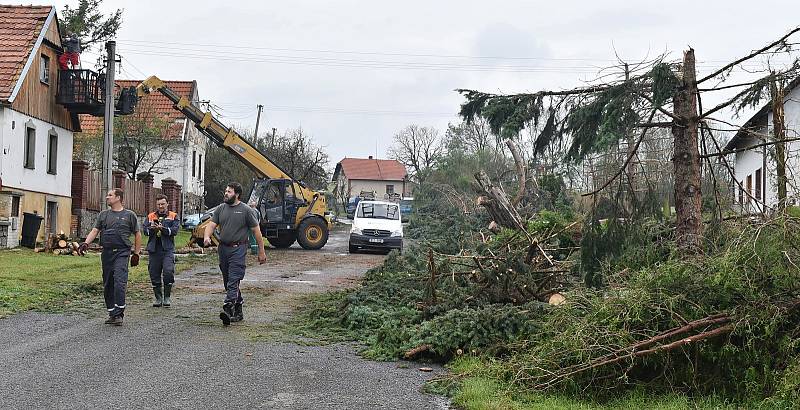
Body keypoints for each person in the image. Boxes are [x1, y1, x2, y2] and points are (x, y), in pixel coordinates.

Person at [204, 182, 267, 325]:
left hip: (238, 249)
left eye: (229, 191)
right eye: (226, 191)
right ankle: (238, 308)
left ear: (237, 194)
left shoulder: (246, 211)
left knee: (233, 279)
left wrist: (261, 251)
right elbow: (211, 225)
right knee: (228, 281)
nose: (226, 193)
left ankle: (228, 308)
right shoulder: (221, 209)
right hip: (223, 249)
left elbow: (257, 232)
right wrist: (207, 236)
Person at [79, 189, 141, 326]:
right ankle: (112, 312)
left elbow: (137, 234)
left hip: (122, 252)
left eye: (110, 195)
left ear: (118, 197)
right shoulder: (103, 215)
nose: (107, 197)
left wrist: (136, 253)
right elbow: (95, 230)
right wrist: (86, 243)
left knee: (119, 281)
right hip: (107, 253)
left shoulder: (130, 215)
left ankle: (119, 313)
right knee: (108, 283)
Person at [143, 194, 180, 307]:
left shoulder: (173, 216)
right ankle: (158, 298)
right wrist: (153, 229)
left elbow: (174, 231)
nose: (160, 206)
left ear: (167, 204)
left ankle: (167, 297)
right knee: (154, 273)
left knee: (168, 271)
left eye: (163, 204)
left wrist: (163, 229)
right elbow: (145, 231)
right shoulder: (150, 216)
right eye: (158, 204)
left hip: (167, 249)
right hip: (154, 249)